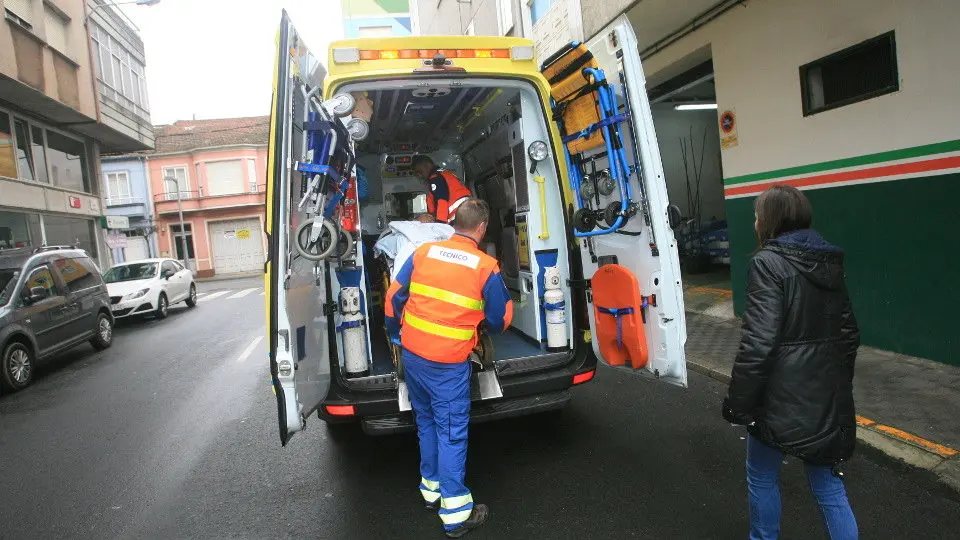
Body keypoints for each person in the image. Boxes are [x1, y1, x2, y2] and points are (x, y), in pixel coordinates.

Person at [722, 185, 860, 540]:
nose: (754, 221)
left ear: (771, 220)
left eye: (757, 215)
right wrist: (836, 387)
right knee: (829, 488)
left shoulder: (767, 263)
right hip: (825, 398)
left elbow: (759, 343)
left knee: (762, 476)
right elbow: (848, 335)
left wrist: (738, 403)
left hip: (778, 401)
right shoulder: (829, 261)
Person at [384, 198, 513, 538]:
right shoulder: (486, 266)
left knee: (425, 421)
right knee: (452, 431)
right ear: (482, 228)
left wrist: (393, 335)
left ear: (453, 222)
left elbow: (393, 297)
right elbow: (502, 319)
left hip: (413, 355)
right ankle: (455, 513)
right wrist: (482, 322)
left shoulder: (424, 252)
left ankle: (431, 491)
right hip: (447, 364)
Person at [412, 155, 472, 224]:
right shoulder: (444, 174)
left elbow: (442, 201)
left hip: (458, 218)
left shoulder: (436, 178)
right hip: (466, 215)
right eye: (417, 174)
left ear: (427, 165)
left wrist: (440, 224)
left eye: (420, 172)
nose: (419, 175)